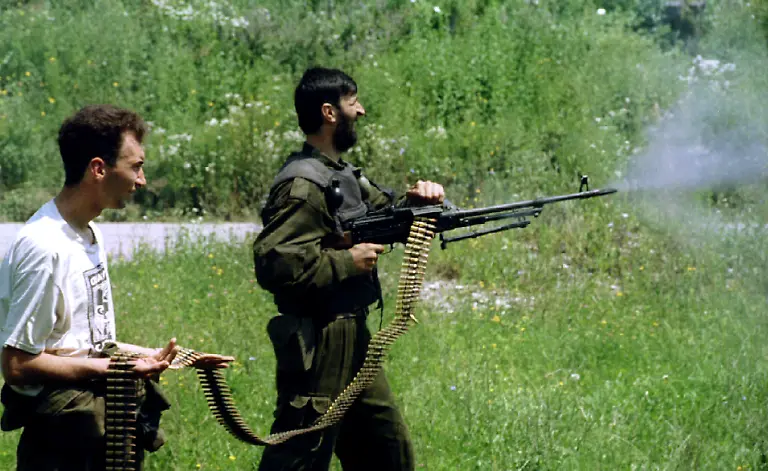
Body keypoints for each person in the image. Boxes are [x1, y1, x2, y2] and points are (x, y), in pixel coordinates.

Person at [0, 104, 233, 471]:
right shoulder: (44, 246)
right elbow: (18, 364)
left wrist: (160, 355)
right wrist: (114, 370)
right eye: (136, 166)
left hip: (98, 432)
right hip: (61, 446)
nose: (141, 180)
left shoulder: (90, 234)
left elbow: (83, 343)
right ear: (98, 169)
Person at [253, 67, 445, 470]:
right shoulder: (303, 184)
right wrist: (346, 261)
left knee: (388, 452)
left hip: (353, 335)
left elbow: (386, 217)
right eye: (353, 101)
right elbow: (274, 263)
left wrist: (420, 204)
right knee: (301, 454)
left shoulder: (342, 174)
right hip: (319, 340)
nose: (361, 111)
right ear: (329, 112)